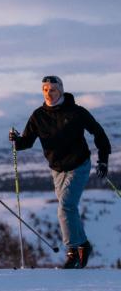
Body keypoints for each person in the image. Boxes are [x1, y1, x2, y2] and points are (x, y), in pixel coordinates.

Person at [9, 75, 111, 269]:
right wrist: (16, 140)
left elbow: (99, 133)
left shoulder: (76, 112)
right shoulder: (38, 115)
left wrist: (103, 160)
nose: (49, 93)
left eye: (53, 89)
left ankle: (72, 251)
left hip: (79, 164)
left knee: (65, 207)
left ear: (61, 91)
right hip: (56, 169)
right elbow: (26, 142)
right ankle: (83, 245)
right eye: (45, 89)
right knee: (69, 209)